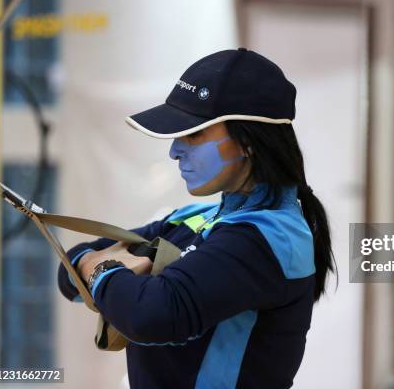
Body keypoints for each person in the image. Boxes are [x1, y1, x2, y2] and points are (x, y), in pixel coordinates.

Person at [56, 48, 335, 389]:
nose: (174, 150)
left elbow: (150, 315)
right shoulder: (199, 217)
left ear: (246, 142)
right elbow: (68, 269)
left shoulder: (271, 237)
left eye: (193, 133)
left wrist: (99, 268)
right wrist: (105, 273)